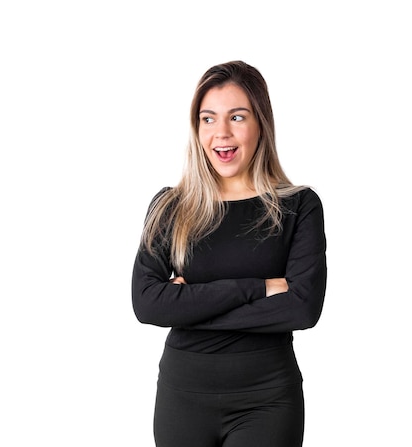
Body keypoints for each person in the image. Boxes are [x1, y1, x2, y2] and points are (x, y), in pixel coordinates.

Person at [131, 60, 327, 447]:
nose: (221, 133)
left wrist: (189, 306)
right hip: (182, 399)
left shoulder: (298, 206)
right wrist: (257, 288)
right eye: (208, 119)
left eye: (237, 117)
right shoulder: (171, 206)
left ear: (261, 124)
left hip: (267, 399)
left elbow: (303, 309)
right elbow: (147, 304)